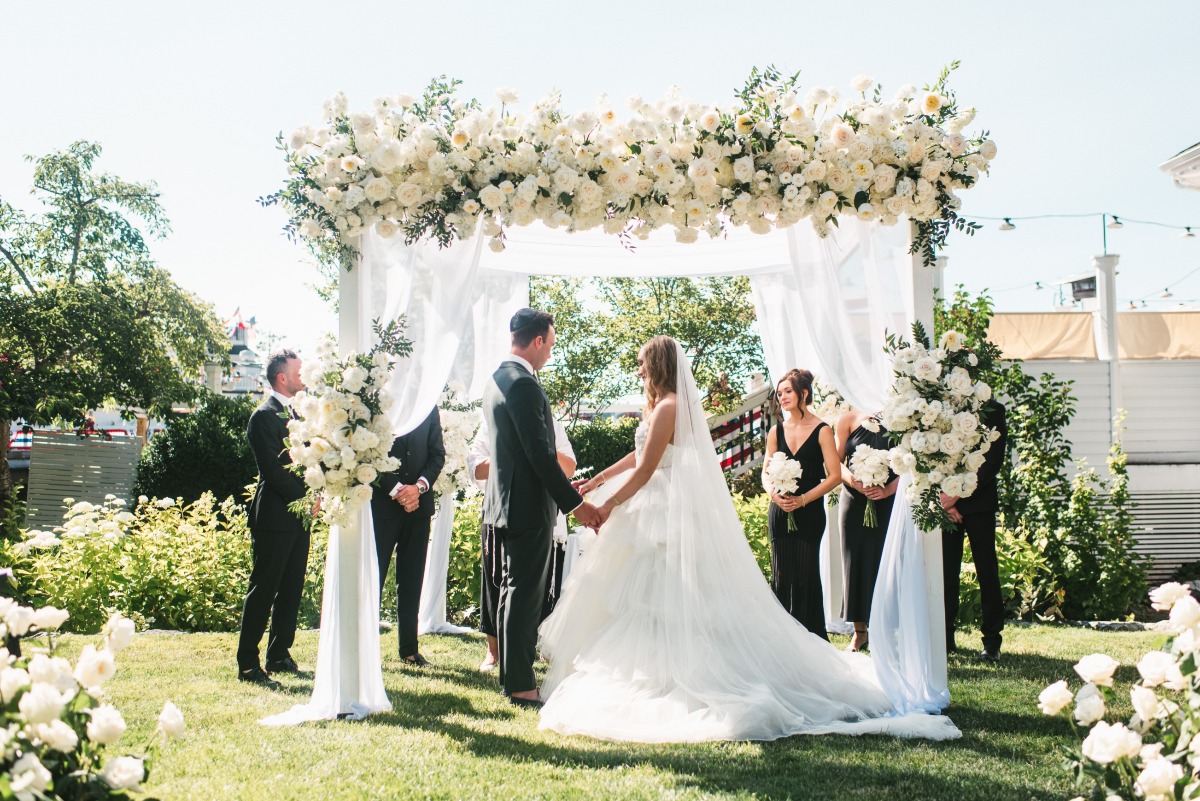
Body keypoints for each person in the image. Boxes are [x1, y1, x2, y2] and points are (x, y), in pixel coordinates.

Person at [537, 336, 959, 742]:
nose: (639, 368)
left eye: (644, 361)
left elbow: (648, 470)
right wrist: (601, 478)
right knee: (642, 593)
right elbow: (639, 456)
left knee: (662, 592)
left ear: (659, 364)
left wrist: (608, 505)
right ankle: (652, 667)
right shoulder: (660, 409)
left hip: (663, 508)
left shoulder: (670, 406)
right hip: (652, 506)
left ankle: (673, 671)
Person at [481, 308, 604, 707]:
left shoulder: (498, 379)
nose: (549, 353)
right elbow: (539, 455)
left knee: (511, 591)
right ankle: (520, 684)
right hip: (528, 505)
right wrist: (576, 505)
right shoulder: (523, 385)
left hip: (504, 503)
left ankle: (512, 676)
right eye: (549, 345)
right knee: (524, 593)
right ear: (537, 341)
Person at [469, 413, 576, 673]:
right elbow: (475, 468)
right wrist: (512, 449)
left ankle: (538, 646)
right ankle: (493, 652)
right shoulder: (491, 423)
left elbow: (569, 467)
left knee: (543, 583)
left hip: (543, 514)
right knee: (495, 581)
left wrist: (539, 445)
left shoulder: (551, 424)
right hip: (500, 512)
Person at [237, 349, 311, 688]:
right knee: (264, 588)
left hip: (300, 517)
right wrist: (309, 496)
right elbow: (274, 471)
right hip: (274, 516)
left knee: (291, 589)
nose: (303, 375)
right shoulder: (263, 417)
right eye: (298, 370)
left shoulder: (302, 415)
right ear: (282, 377)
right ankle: (248, 664)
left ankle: (279, 653)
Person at [762, 369, 842, 640]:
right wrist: (775, 495)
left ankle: (812, 639)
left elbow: (835, 476)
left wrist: (804, 499)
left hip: (809, 511)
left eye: (788, 392)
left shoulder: (822, 430)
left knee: (806, 575)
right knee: (781, 576)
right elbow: (765, 471)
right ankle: (781, 640)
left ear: (803, 394)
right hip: (780, 510)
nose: (782, 397)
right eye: (780, 392)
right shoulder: (776, 430)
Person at [371, 405, 445, 668]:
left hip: (419, 507)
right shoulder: (377, 399)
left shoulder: (429, 404)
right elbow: (366, 455)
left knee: (412, 578)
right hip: (382, 505)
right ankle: (367, 648)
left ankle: (409, 649)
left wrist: (419, 488)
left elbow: (437, 455)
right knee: (374, 576)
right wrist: (397, 490)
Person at [941, 400, 1008, 663]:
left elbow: (993, 460)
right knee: (946, 572)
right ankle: (945, 638)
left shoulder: (993, 409)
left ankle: (992, 642)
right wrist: (945, 501)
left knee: (987, 570)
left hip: (978, 502)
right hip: (945, 503)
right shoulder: (936, 404)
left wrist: (956, 495)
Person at [836, 408, 899, 653]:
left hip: (888, 500)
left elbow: (912, 462)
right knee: (855, 563)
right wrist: (854, 481)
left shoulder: (901, 415)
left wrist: (888, 490)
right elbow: (834, 462)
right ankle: (860, 632)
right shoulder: (848, 419)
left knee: (886, 563)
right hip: (854, 499)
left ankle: (886, 631)